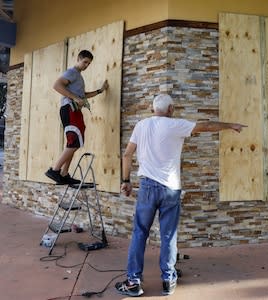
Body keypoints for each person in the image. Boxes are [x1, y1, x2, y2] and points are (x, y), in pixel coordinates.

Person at [115, 94, 246, 297]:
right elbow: (206, 126)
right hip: (170, 189)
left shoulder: (141, 125)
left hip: (147, 187)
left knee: (140, 233)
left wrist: (125, 181)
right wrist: (231, 125)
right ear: (171, 109)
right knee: (168, 235)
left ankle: (134, 282)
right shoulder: (175, 125)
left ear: (153, 109)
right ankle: (168, 279)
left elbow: (127, 154)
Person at [45, 50, 109, 184]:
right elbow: (57, 85)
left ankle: (64, 173)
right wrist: (74, 97)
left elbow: (82, 96)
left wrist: (100, 91)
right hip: (69, 109)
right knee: (74, 142)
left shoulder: (78, 76)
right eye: (85, 62)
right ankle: (55, 170)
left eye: (89, 64)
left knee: (73, 142)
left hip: (74, 111)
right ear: (78, 59)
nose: (86, 65)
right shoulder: (72, 72)